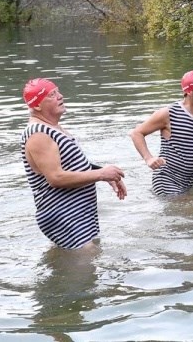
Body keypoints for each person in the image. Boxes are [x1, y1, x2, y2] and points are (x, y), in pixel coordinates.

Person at [20, 78, 126, 249]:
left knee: (85, 262)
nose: (60, 96)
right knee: (85, 264)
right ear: (38, 106)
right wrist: (100, 174)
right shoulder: (38, 133)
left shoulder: (52, 128)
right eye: (51, 95)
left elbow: (72, 164)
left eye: (58, 91)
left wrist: (104, 174)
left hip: (76, 212)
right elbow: (55, 177)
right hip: (63, 213)